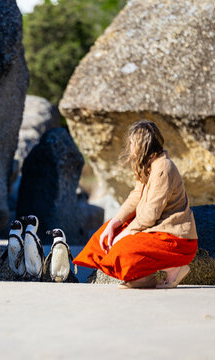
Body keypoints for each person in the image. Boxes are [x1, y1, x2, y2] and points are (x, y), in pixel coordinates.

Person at [73, 120, 198, 289]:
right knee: (100, 240)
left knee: (119, 251)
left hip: (175, 240)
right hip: (154, 231)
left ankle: (175, 268)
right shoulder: (148, 165)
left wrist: (125, 235)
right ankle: (144, 278)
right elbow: (136, 196)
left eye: (132, 142)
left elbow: (149, 215)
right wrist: (114, 223)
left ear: (142, 144)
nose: (129, 147)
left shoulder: (163, 168)